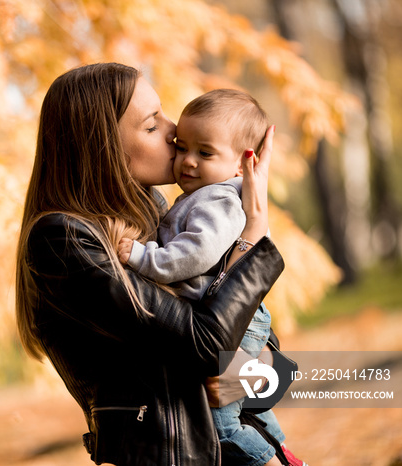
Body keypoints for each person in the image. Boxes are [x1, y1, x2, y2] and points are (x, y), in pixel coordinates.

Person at [16, 62, 285, 466]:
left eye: (163, 113)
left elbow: (273, 368)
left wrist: (242, 380)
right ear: (103, 146)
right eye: (150, 125)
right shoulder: (65, 241)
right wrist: (254, 233)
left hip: (239, 448)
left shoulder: (162, 217)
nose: (174, 129)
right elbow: (211, 347)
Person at [116, 89, 304, 466]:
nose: (185, 160)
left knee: (221, 426)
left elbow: (194, 254)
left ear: (241, 165)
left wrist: (139, 255)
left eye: (204, 153)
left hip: (236, 322)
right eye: (181, 146)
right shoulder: (197, 196)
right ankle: (281, 449)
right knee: (241, 407)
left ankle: (269, 460)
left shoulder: (217, 200)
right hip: (232, 321)